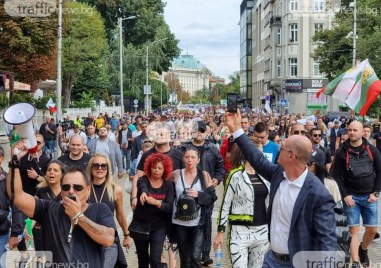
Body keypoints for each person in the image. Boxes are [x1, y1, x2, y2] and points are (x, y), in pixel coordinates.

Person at [225, 109, 336, 267]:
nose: (278, 150)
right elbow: (257, 159)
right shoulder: (279, 174)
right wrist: (236, 130)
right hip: (271, 260)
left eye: (282, 148)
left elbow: (327, 242)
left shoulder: (318, 194)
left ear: (291, 156)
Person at [7, 144, 116, 267]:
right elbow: (17, 196)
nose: (71, 191)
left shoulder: (100, 209)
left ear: (88, 190)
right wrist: (14, 163)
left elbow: (108, 238)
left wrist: (78, 216)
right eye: (65, 187)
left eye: (77, 187)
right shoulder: (49, 209)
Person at [214, 137, 270, 267]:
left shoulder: (266, 175)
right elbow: (225, 205)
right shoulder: (235, 175)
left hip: (262, 231)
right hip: (239, 232)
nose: (262, 155)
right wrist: (220, 232)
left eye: (262, 152)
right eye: (259, 152)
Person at [332, 121, 381, 268]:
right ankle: (356, 262)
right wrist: (345, 195)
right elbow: (336, 175)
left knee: (372, 230)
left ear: (362, 132)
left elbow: (380, 172)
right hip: (351, 198)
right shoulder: (341, 152)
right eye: (350, 130)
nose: (352, 132)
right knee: (354, 230)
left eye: (355, 130)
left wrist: (376, 193)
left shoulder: (372, 150)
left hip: (370, 198)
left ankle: (363, 249)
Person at [172, 148, 217, 268]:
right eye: (187, 157)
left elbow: (213, 197)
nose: (189, 160)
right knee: (184, 259)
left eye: (193, 157)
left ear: (198, 160)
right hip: (179, 222)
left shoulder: (204, 175)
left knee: (195, 258)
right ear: (183, 159)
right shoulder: (176, 174)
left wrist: (198, 195)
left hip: (198, 224)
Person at [87, 154, 130, 268]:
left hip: (109, 239)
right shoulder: (85, 189)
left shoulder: (116, 190)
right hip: (89, 238)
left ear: (108, 169)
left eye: (103, 166)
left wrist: (126, 235)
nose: (100, 168)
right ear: (91, 168)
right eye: (96, 165)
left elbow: (120, 215)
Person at [132, 153, 174, 268]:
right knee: (143, 259)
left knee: (155, 260)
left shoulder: (168, 185)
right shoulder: (143, 180)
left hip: (158, 227)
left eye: (160, 168)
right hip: (140, 225)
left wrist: (156, 202)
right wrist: (144, 193)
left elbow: (170, 207)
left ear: (165, 169)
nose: (156, 170)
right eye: (154, 167)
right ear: (149, 167)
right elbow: (142, 186)